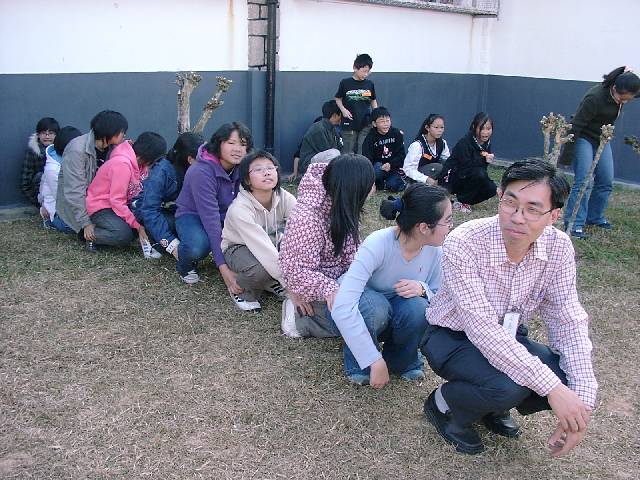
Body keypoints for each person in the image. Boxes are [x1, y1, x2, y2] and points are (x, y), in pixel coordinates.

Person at [421, 159, 597, 457]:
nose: (517, 217)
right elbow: (482, 329)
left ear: (553, 215)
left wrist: (581, 404)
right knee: (511, 385)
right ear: (500, 195)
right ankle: (444, 403)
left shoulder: (559, 247)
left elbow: (568, 320)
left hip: (509, 333)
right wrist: (553, 390)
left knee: (567, 375)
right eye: (510, 203)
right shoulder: (464, 242)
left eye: (533, 209)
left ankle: (491, 407)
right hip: (451, 336)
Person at [331, 184, 451, 386]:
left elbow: (440, 297)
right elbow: (342, 306)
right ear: (423, 227)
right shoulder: (378, 243)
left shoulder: (435, 250)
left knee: (418, 306)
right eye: (447, 221)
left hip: (394, 315)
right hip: (361, 311)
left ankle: (402, 362)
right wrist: (373, 359)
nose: (450, 226)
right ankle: (361, 364)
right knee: (374, 306)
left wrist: (423, 289)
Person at [279, 153, 375, 338]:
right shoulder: (307, 218)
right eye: (369, 184)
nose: (373, 189)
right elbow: (296, 271)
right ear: (353, 187)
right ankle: (299, 319)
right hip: (317, 288)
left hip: (338, 279)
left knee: (376, 306)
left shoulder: (340, 203)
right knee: (367, 316)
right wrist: (329, 289)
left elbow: (350, 252)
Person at [561, 66, 640, 239]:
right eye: (622, 98)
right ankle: (575, 224)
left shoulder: (624, 89)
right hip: (583, 137)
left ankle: (594, 217)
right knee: (584, 181)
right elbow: (576, 125)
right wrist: (566, 155)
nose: (624, 102)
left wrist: (630, 74)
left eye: (628, 99)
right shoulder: (595, 98)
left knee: (606, 180)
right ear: (614, 88)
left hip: (602, 139)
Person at [175, 122, 253, 284]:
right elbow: (211, 220)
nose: (237, 149)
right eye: (231, 143)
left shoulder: (243, 167)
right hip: (193, 215)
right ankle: (184, 263)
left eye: (243, 144)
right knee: (197, 246)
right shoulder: (201, 171)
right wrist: (222, 267)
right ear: (218, 143)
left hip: (226, 215)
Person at [221, 151, 297, 311]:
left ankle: (270, 282)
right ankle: (242, 291)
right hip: (238, 248)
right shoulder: (239, 208)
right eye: (258, 169)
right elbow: (262, 247)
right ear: (247, 179)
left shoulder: (284, 197)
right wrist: (289, 284)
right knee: (259, 270)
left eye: (270, 167)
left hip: (271, 243)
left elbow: (301, 228)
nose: (266, 172)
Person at [85, 132, 167, 253]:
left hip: (120, 206)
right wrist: (137, 226)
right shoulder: (122, 165)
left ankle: (114, 229)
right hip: (102, 207)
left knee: (141, 223)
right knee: (124, 235)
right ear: (150, 157)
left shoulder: (141, 165)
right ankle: (92, 235)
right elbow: (116, 201)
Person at [56, 110, 128, 243]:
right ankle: (83, 234)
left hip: (98, 202)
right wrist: (86, 223)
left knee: (129, 228)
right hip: (78, 209)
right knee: (122, 234)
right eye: (122, 131)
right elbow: (74, 191)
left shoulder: (112, 147)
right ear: (110, 132)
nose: (124, 135)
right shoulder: (77, 150)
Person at [132, 132, 203, 258]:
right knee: (174, 224)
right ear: (190, 159)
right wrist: (171, 245)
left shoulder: (194, 169)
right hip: (148, 211)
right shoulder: (161, 173)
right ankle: (154, 240)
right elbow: (149, 210)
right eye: (202, 158)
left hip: (171, 210)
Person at [439, 112, 497, 213]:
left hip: (469, 176)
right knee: (479, 174)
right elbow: (465, 166)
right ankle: (462, 200)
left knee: (491, 189)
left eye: (488, 129)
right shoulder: (464, 143)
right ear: (474, 127)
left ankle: (463, 201)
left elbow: (481, 168)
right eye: (482, 128)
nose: (485, 132)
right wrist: (484, 159)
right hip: (453, 178)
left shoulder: (486, 143)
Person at [38, 126, 82, 233]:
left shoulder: (71, 159)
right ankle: (51, 222)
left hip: (73, 204)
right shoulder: (53, 169)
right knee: (79, 227)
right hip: (60, 211)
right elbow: (65, 199)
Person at [335, 53, 378, 154]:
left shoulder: (369, 84)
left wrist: (376, 116)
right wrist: (343, 110)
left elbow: (373, 100)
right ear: (355, 68)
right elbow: (338, 98)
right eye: (363, 71)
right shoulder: (345, 83)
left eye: (368, 71)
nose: (365, 74)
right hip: (349, 122)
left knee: (362, 150)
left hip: (366, 122)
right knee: (348, 151)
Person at [361, 106, 406, 192]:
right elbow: (367, 159)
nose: (386, 124)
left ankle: (386, 183)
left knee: (394, 185)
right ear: (374, 124)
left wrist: (391, 164)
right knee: (377, 169)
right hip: (378, 167)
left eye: (387, 121)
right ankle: (375, 183)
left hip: (393, 168)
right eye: (382, 121)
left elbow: (401, 155)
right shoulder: (370, 138)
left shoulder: (396, 133)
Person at [297, 101, 343, 178]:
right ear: (335, 115)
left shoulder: (332, 128)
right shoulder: (318, 129)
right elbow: (328, 151)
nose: (342, 117)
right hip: (308, 166)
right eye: (341, 114)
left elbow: (340, 147)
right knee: (334, 153)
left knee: (339, 154)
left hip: (320, 162)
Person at [21, 117, 60, 205]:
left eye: (51, 133)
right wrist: (39, 204)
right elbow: (25, 183)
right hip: (42, 197)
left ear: (56, 135)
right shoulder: (33, 152)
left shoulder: (61, 149)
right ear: (38, 135)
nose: (47, 136)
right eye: (43, 133)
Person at [403, 114, 450, 185]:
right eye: (436, 127)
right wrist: (426, 179)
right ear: (427, 128)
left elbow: (447, 161)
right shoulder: (417, 145)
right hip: (417, 178)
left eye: (442, 127)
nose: (440, 130)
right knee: (438, 167)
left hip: (433, 175)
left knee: (448, 165)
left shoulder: (443, 143)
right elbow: (408, 168)